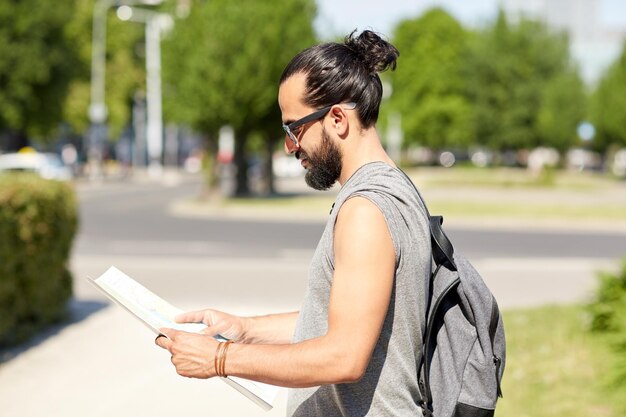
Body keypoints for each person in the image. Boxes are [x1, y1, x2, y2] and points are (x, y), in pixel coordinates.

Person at [155, 30, 432, 416]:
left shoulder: (367, 209)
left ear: (336, 118)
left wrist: (219, 358)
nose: (289, 146)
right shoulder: (393, 190)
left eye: (293, 127)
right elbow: (349, 316)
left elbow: (344, 356)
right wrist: (246, 329)